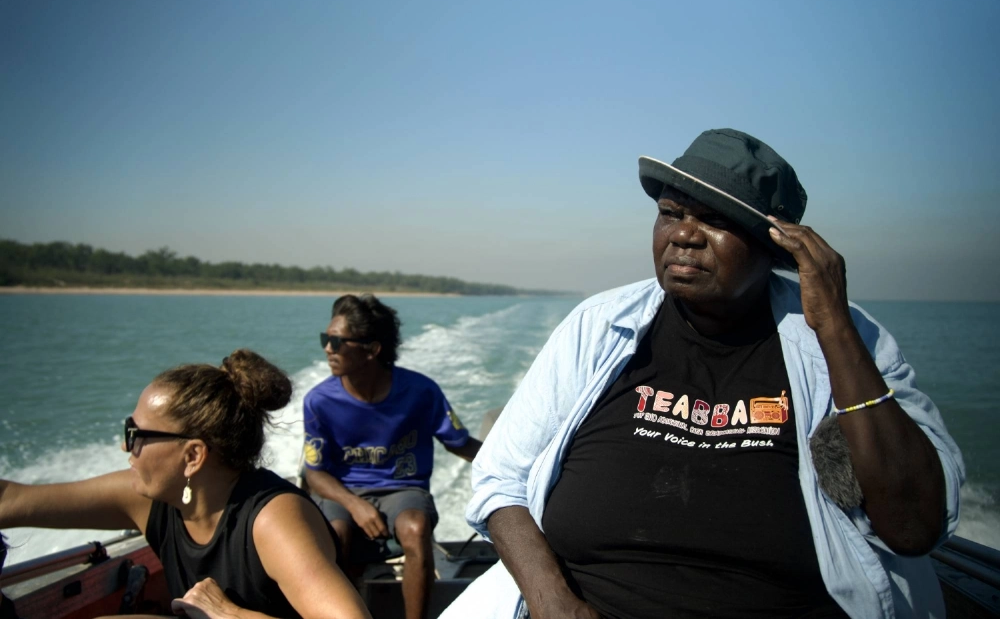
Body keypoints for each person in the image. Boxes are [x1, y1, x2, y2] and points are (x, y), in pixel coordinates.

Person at [443, 129, 965, 619]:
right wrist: (553, 601)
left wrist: (834, 328)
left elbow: (916, 528)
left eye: (716, 221)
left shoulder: (845, 341)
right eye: (670, 213)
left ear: (778, 245)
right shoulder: (600, 326)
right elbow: (500, 478)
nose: (684, 235)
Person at [0, 349, 371, 619]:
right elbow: (13, 500)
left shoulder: (273, 519)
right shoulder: (149, 499)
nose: (124, 445)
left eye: (135, 434)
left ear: (193, 455)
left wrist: (230, 615)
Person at [302, 294, 482, 619]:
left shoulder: (421, 392)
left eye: (337, 341)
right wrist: (356, 505)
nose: (328, 348)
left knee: (415, 528)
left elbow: (459, 443)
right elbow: (314, 473)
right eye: (325, 339)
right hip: (342, 491)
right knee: (337, 535)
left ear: (372, 350)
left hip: (402, 490)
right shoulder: (319, 402)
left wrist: (518, 465)